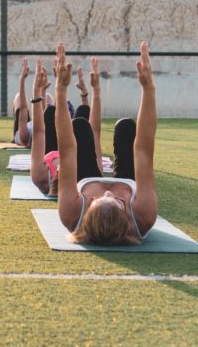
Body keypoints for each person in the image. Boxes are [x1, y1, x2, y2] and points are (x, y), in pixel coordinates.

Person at [55, 42, 158, 246]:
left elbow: (67, 150)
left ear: (91, 203)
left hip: (86, 178)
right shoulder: (144, 216)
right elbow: (144, 150)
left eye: (100, 198)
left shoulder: (71, 213)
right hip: (130, 182)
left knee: (80, 128)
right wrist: (148, 88)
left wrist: (60, 90)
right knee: (127, 128)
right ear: (126, 213)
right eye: (117, 201)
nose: (106, 191)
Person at [27, 57, 105, 195]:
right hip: (82, 168)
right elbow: (95, 132)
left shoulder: (43, 177)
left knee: (52, 112)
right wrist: (95, 90)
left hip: (58, 157)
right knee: (80, 121)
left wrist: (38, 91)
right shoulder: (90, 180)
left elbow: (39, 132)